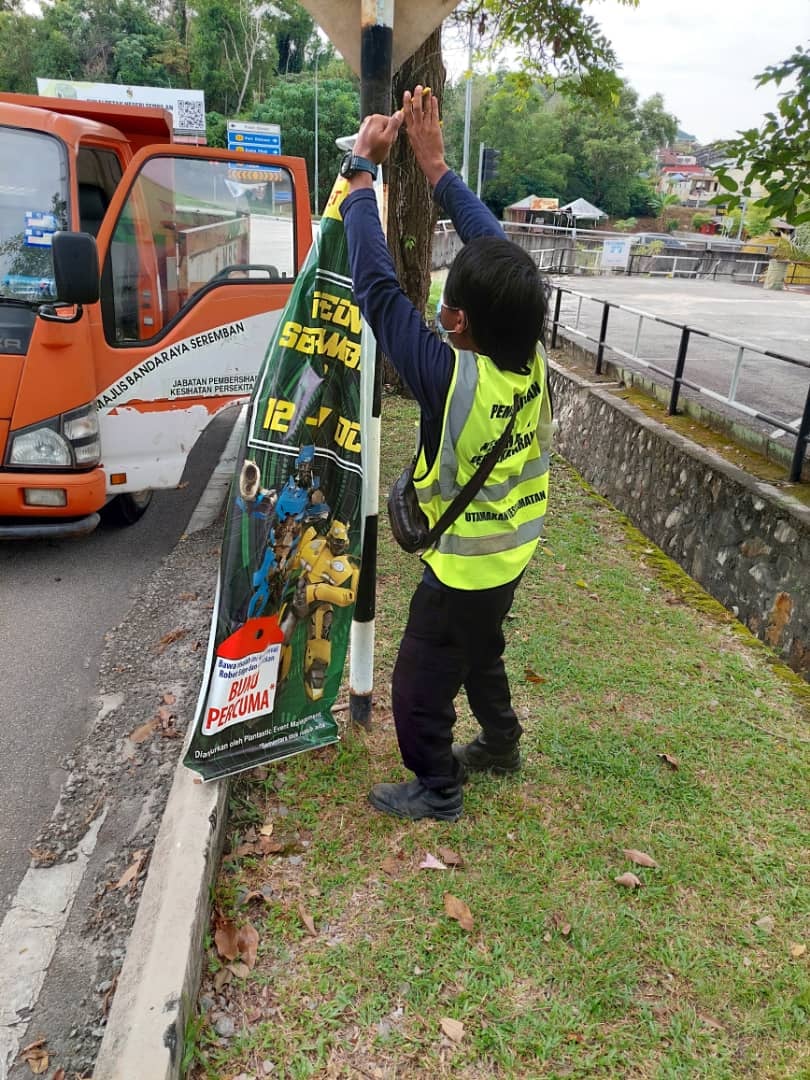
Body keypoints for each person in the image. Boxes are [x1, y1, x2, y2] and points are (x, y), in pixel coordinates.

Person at [341, 87, 553, 822]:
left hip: (463, 565)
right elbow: (497, 251)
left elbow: (375, 287)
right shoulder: (531, 356)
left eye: (448, 306)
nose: (439, 312)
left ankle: (437, 786)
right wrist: (435, 169)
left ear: (459, 321)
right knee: (482, 646)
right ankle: (500, 741)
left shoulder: (448, 377)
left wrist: (359, 176)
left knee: (419, 686)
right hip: (513, 552)